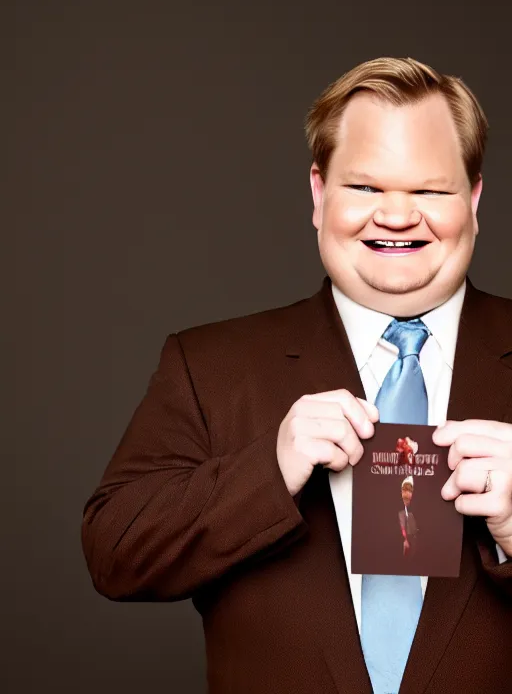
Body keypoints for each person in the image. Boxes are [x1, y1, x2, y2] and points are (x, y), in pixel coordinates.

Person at [81, 57, 512, 694]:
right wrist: (267, 470)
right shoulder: (210, 366)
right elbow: (115, 555)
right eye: (365, 188)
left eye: (428, 191)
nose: (395, 216)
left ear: (473, 199)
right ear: (318, 194)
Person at [398, 477, 418, 557]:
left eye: (409, 490)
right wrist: (405, 539)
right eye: (404, 490)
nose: (406, 493)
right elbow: (402, 526)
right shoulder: (401, 513)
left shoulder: (413, 511)